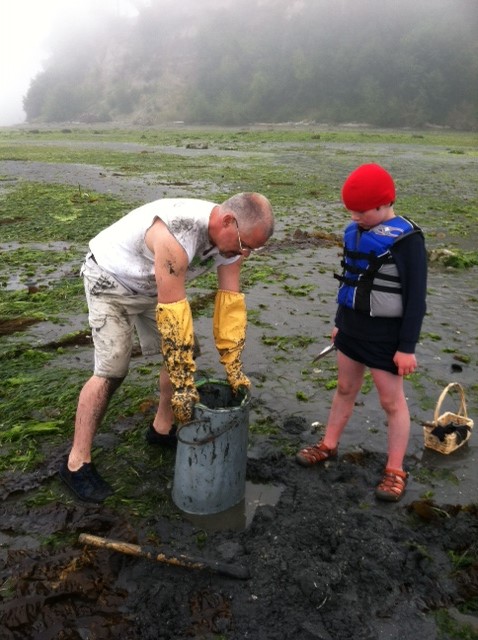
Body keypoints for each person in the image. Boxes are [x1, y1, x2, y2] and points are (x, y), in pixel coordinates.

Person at [59, 192, 274, 503]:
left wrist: (233, 365)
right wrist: (185, 385)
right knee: (113, 369)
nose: (245, 252)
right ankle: (76, 463)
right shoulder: (177, 234)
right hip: (110, 279)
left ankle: (161, 429)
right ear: (228, 221)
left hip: (152, 286)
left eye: (252, 248)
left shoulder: (235, 244)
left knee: (189, 355)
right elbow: (174, 324)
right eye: (244, 245)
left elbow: (230, 304)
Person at [296, 163, 427, 502]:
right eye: (351, 211)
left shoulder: (407, 241)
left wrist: (407, 347)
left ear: (385, 204)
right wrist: (339, 323)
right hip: (352, 328)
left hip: (386, 336)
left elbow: (416, 298)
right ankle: (328, 444)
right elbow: (352, 281)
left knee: (391, 401)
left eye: (362, 211)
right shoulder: (354, 232)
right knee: (344, 388)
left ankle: (395, 470)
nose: (355, 217)